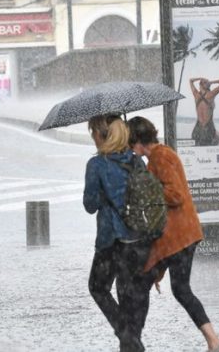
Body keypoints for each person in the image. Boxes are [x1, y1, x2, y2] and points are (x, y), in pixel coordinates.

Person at [127, 116, 219, 352]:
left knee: (144, 282)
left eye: (131, 143)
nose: (131, 150)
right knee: (180, 289)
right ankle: (214, 341)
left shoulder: (160, 157)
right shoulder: (160, 155)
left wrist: (147, 189)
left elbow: (175, 195)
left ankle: (132, 341)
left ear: (138, 141)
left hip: (178, 236)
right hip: (181, 234)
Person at [84, 114, 152, 352]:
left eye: (93, 132)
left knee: (98, 287)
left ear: (102, 135)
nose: (92, 137)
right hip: (138, 239)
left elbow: (89, 205)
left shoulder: (97, 165)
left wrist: (103, 193)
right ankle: (131, 341)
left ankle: (129, 339)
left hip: (111, 240)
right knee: (129, 295)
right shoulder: (135, 161)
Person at [189, 77, 219, 146]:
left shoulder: (197, 95)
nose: (208, 83)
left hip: (200, 127)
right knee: (212, 144)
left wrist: (200, 78)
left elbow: (191, 81)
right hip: (207, 126)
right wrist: (211, 82)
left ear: (200, 85)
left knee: (198, 146)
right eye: (206, 82)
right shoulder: (210, 95)